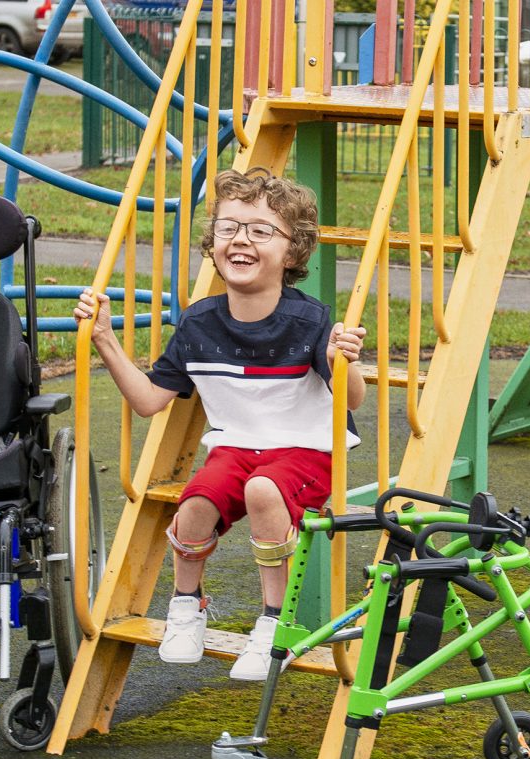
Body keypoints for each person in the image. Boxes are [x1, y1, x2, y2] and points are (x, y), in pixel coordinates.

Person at [74, 167, 366, 681]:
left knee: (262, 490)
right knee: (195, 501)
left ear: (293, 252)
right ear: (214, 243)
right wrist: (104, 339)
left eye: (261, 230)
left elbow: (353, 400)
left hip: (308, 450)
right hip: (236, 447)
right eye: (229, 228)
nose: (241, 239)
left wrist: (345, 362)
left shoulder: (311, 321)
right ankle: (187, 606)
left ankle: (276, 623)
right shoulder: (198, 322)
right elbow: (147, 401)